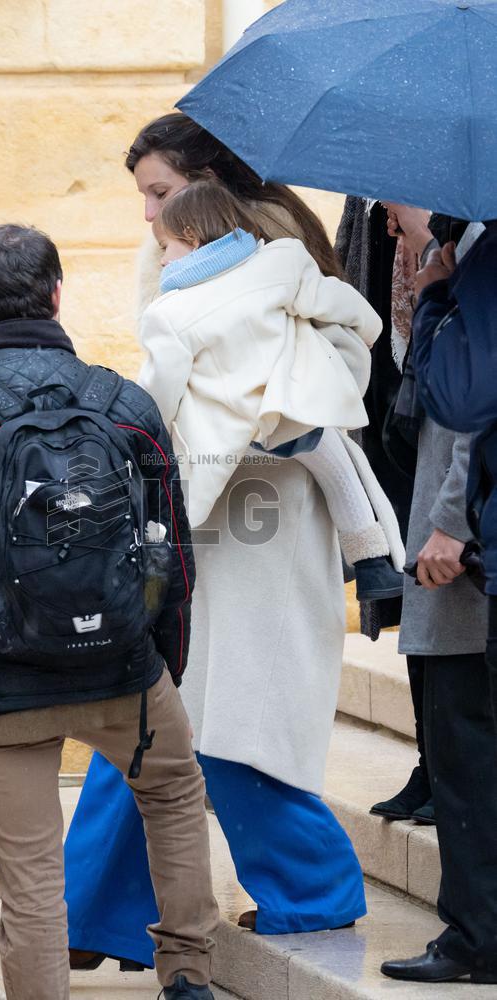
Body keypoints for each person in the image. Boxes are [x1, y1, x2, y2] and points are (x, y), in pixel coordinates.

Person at [0, 223, 220, 1000]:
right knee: (172, 797)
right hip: (123, 672)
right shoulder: (123, 403)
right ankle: (188, 973)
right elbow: (168, 551)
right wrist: (162, 663)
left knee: (29, 877)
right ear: (57, 294)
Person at [63, 113, 374, 972]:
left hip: (264, 521)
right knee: (154, 713)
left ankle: (308, 894)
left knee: (231, 722)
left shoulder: (290, 261)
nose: (147, 214)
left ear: (206, 187)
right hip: (193, 513)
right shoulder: (181, 255)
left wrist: (266, 420)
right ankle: (94, 914)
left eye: (159, 192)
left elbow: (341, 382)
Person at [142, 180, 403, 599]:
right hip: (294, 409)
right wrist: (367, 331)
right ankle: (371, 562)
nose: (161, 260)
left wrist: (149, 426)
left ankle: (159, 565)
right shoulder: (280, 260)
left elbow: (161, 389)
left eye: (165, 246)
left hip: (233, 434)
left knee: (178, 502)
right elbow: (336, 300)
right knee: (338, 464)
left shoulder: (169, 312)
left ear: (191, 237)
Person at [380, 217, 496, 985]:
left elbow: (463, 405)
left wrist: (433, 296)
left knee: (464, 749)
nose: (388, 222)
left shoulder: (477, 258)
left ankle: (476, 937)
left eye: (395, 211)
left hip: (465, 555)